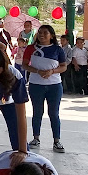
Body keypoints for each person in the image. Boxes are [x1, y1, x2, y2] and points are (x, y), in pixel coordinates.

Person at [23, 25, 67, 153]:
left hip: (54, 85)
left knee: (54, 113)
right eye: (40, 32)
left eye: (45, 33)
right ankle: (36, 138)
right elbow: (25, 65)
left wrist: (52, 71)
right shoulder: (31, 48)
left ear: (52, 35)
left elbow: (63, 66)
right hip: (36, 85)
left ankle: (56, 141)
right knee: (37, 112)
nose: (41, 35)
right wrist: (37, 71)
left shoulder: (57, 49)